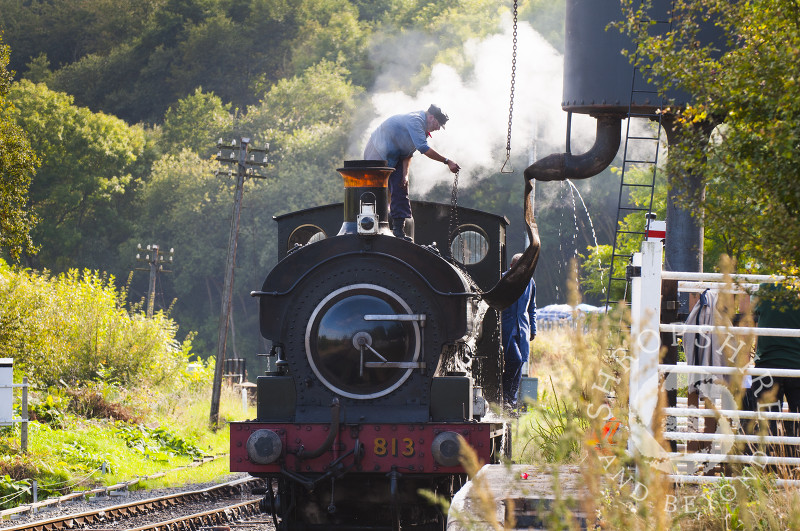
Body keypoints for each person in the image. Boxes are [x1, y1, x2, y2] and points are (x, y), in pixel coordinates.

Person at [364, 104, 461, 240]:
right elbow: (423, 148)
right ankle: (369, 227)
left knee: (401, 187)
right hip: (378, 151)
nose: (438, 128)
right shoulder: (415, 121)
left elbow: (408, 154)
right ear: (431, 117)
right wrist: (447, 161)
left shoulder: (422, 129)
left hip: (396, 157)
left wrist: (405, 175)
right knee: (376, 189)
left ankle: (398, 231)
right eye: (438, 124)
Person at [752, 282, 800, 454]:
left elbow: (749, 316)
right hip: (797, 366)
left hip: (767, 365)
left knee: (768, 421)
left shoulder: (765, 288)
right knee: (797, 421)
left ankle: (769, 469)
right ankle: (793, 466)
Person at [501, 253, 537, 408]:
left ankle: (511, 399)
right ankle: (505, 395)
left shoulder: (530, 282)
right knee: (514, 360)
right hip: (507, 327)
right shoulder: (503, 279)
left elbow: (532, 308)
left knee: (520, 361)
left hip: (522, 328)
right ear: (511, 266)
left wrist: (533, 329)